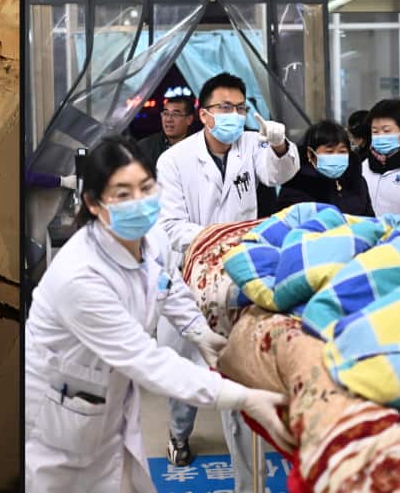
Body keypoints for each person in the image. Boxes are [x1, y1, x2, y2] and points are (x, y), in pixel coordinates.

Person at [25, 137, 291, 492]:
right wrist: (242, 397)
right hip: (61, 414)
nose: (138, 202)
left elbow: (166, 284)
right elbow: (148, 361)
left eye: (145, 188)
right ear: (93, 203)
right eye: (122, 194)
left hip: (109, 404)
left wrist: (200, 332)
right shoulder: (80, 276)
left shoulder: (150, 238)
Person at [156, 72, 298, 480]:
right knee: (185, 378)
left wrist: (279, 143)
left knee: (236, 378)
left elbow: (280, 174)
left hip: (240, 275)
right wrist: (217, 238)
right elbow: (170, 226)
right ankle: (179, 435)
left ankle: (246, 481)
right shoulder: (175, 160)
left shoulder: (251, 144)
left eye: (240, 108)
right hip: (192, 276)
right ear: (203, 115)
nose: (234, 116)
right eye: (224, 108)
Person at [276, 120, 374, 216]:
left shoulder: (357, 181)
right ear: (310, 154)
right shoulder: (296, 185)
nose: (336, 156)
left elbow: (369, 220)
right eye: (329, 152)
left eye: (342, 151)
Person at [137, 93, 196, 171]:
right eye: (165, 114)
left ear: (189, 119)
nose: (168, 119)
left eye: (175, 114)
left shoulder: (199, 146)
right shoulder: (145, 147)